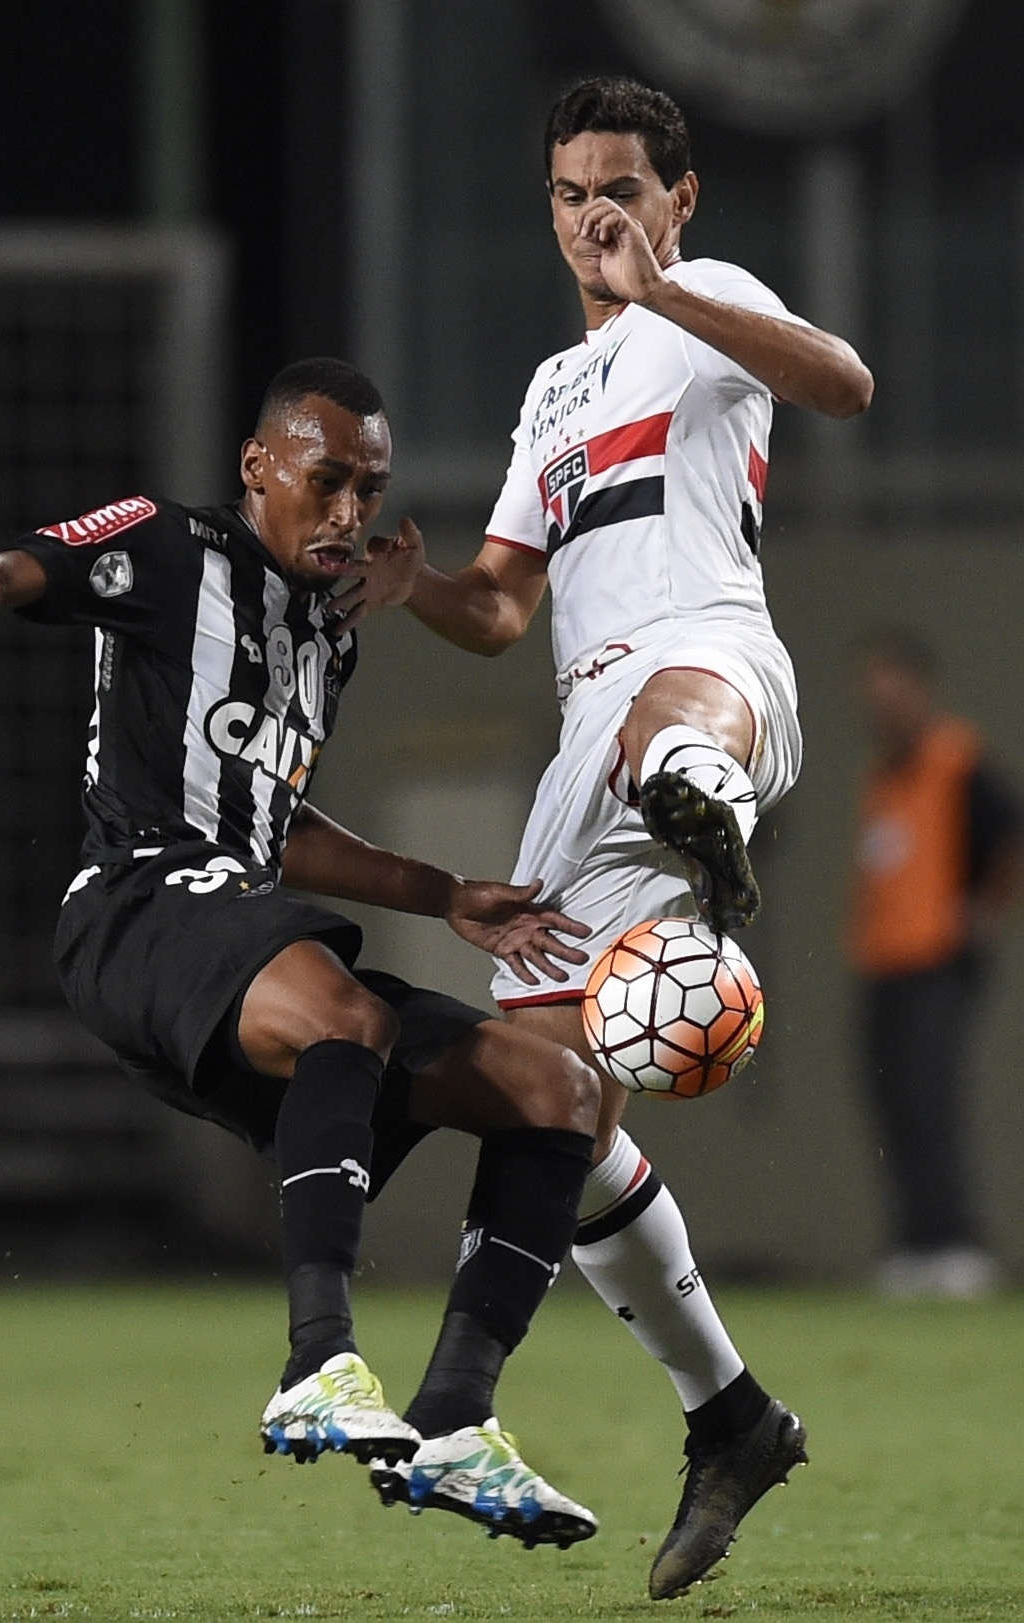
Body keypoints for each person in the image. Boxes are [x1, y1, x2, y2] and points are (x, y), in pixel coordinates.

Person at [0, 356, 613, 1550]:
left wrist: (444, 893)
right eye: (325, 482)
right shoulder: (169, 546)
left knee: (556, 1089)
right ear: (259, 467)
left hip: (241, 926)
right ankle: (319, 1360)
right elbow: (15, 572)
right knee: (343, 1014)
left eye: (369, 489)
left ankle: (456, 1420)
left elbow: (279, 828)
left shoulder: (331, 628)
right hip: (135, 908)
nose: (349, 514)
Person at [337, 76, 874, 1598]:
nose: (597, 216)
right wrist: (416, 581)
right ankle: (731, 1413)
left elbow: (842, 385)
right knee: (546, 1096)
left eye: (622, 187)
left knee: (669, 718)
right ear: (550, 207)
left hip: (709, 658)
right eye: (573, 192)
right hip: (582, 738)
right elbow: (506, 608)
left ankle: (698, 792)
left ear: (676, 198)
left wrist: (676, 301)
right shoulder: (551, 392)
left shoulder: (709, 295)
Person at [848, 626, 1021, 1297]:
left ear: (920, 689)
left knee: (931, 1102)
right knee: (891, 1105)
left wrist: (980, 914)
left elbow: (1009, 831)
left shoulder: (957, 760)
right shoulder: (881, 774)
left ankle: (955, 1245)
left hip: (936, 964)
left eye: (890, 686)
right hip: (881, 963)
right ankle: (913, 1243)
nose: (878, 702)